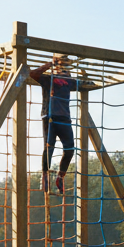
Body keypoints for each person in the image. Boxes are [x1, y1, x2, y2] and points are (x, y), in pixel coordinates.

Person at [30, 54, 81, 194]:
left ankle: (60, 176)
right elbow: (33, 74)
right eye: (63, 66)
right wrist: (49, 64)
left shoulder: (69, 82)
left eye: (67, 67)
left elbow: (82, 83)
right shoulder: (49, 79)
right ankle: (45, 176)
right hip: (50, 117)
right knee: (49, 147)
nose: (65, 70)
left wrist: (82, 71)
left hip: (64, 118)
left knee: (70, 149)